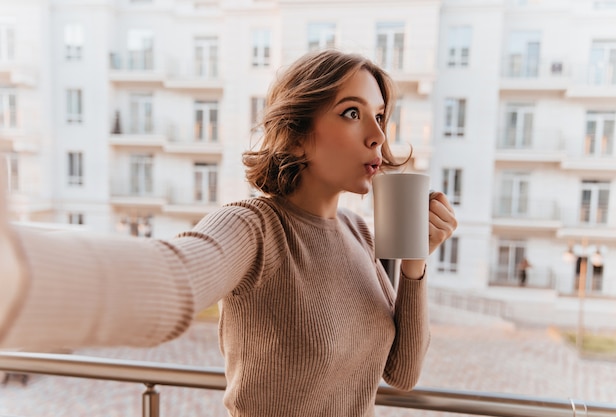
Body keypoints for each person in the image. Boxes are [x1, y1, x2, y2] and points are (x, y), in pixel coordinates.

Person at [0, 49, 457, 416]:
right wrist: (16, 274)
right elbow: (173, 275)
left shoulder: (360, 233)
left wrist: (415, 264)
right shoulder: (253, 226)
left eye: (381, 115)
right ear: (296, 134)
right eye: (352, 113)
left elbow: (402, 372)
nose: (378, 134)